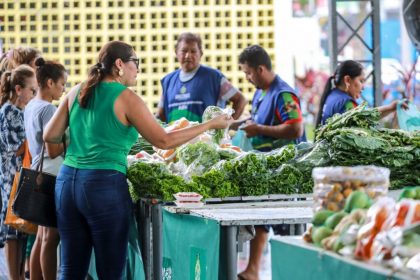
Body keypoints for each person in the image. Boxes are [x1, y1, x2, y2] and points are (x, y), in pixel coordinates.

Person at [42, 40, 232, 280]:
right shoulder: (126, 98)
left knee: (70, 271)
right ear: (120, 64)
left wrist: (86, 140)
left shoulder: (76, 91)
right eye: (136, 63)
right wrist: (212, 124)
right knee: (111, 273)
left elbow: (50, 135)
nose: (138, 69)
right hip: (103, 187)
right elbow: (162, 141)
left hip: (67, 184)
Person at [237, 45, 306, 280]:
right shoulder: (261, 92)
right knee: (261, 220)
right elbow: (258, 119)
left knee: (285, 229)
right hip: (266, 169)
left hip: (284, 172)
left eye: (248, 73)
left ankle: (290, 273)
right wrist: (242, 124)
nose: (247, 78)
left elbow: (296, 129)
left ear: (261, 68)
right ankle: (253, 270)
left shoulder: (283, 94)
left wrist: (260, 128)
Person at [24, 57, 67, 280]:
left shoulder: (31, 106)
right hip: (52, 174)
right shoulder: (49, 110)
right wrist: (70, 140)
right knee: (52, 237)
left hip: (37, 173)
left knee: (41, 236)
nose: (63, 90)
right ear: (49, 83)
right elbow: (53, 150)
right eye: (62, 85)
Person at [157, 32, 247, 123]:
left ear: (201, 53)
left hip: (206, 137)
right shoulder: (168, 81)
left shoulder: (214, 78)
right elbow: (160, 115)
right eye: (184, 51)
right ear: (176, 52)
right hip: (177, 137)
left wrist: (227, 125)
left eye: (193, 51)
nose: (188, 55)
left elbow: (240, 100)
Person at [0, 65, 37, 280]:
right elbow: (14, 147)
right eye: (32, 90)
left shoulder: (20, 111)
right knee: (14, 231)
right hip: (10, 178)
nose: (34, 94)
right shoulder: (9, 112)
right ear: (18, 89)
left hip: (18, 176)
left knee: (21, 229)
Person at [315, 60, 406, 127]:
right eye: (361, 81)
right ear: (347, 80)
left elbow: (365, 116)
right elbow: (364, 123)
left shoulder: (332, 95)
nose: (363, 87)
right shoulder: (346, 103)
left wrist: (391, 107)